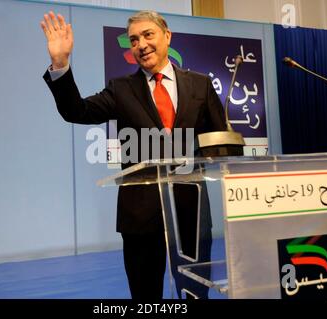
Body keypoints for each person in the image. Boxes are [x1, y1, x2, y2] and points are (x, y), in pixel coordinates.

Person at [41, 10, 226, 299]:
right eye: (134, 40)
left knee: (195, 292)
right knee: (145, 296)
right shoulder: (121, 89)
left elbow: (220, 140)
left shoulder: (200, 84)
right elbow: (76, 111)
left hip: (192, 210)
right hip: (140, 215)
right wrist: (61, 63)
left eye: (148, 35)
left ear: (167, 36)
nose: (141, 44)